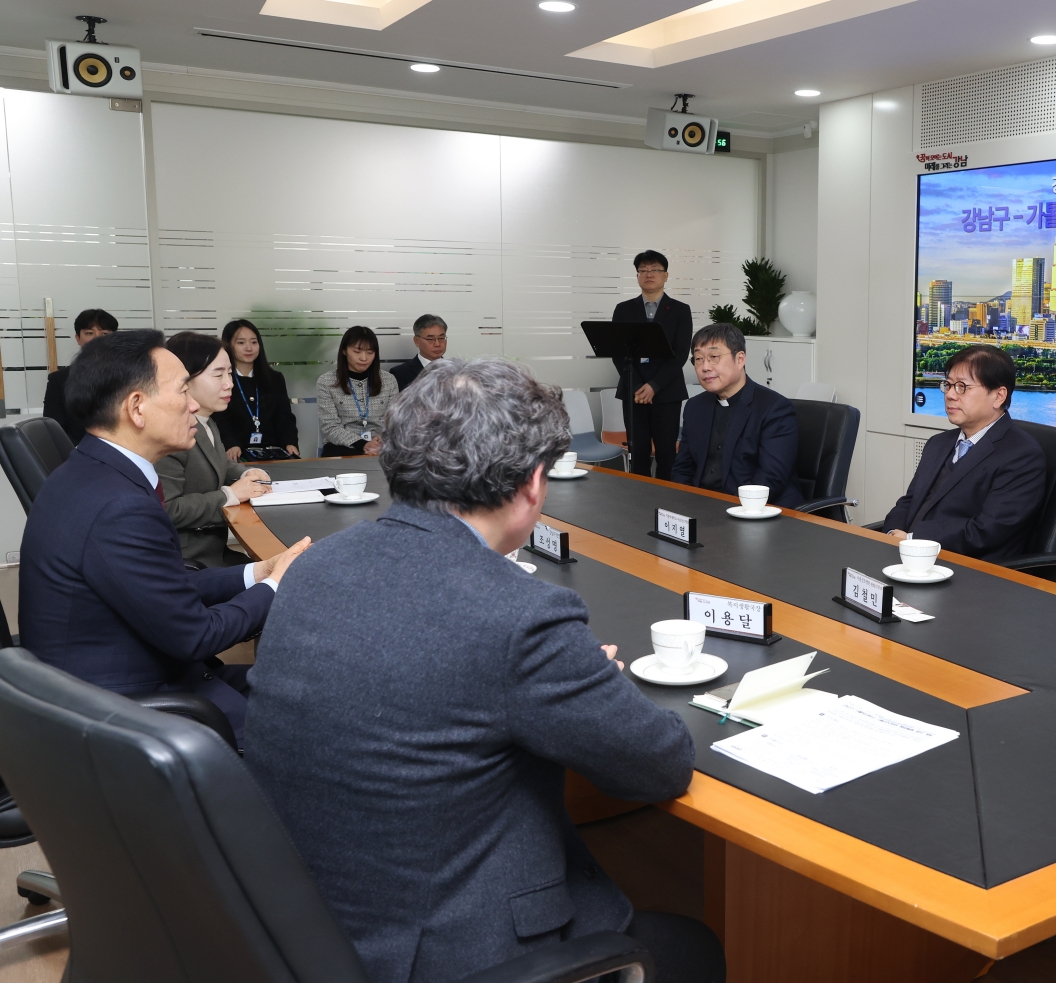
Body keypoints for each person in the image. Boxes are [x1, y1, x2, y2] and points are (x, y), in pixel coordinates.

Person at [247, 358, 723, 983]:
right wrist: (585, 682)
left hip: (307, 927)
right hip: (448, 953)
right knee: (693, 947)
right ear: (533, 484)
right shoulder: (520, 616)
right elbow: (659, 764)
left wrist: (558, 681)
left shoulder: (314, 567)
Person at [18, 330, 310, 739]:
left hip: (142, 676)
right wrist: (276, 587)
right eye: (183, 390)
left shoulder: (92, 472)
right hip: (123, 712)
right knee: (309, 727)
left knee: (307, 694)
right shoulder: (119, 506)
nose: (193, 405)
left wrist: (258, 572)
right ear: (137, 408)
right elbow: (197, 635)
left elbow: (166, 586)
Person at [879, 345, 1045, 561]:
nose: (950, 395)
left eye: (962, 387)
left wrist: (912, 540)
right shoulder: (938, 443)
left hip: (965, 568)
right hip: (908, 557)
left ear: (999, 396)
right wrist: (892, 533)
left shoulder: (1022, 456)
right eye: (948, 385)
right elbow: (909, 502)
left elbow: (986, 530)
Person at [157, 332, 272, 569]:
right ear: (184, 380)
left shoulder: (205, 420)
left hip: (215, 550)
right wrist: (230, 495)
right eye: (219, 374)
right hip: (188, 560)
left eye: (229, 373)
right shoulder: (170, 433)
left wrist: (245, 474)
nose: (229, 383)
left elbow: (216, 462)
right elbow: (167, 509)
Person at [671, 324, 802, 507]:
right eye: (699, 359)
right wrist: (680, 505)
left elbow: (770, 478)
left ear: (740, 359)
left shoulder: (774, 408)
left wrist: (730, 510)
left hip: (757, 509)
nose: (705, 367)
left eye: (714, 357)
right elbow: (683, 469)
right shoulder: (695, 407)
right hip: (703, 507)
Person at [611, 250, 692, 478]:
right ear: (637, 276)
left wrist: (654, 386)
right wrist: (638, 386)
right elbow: (618, 354)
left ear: (665, 275)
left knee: (666, 452)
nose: (649, 274)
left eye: (655, 269)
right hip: (633, 392)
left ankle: (666, 497)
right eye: (643, 270)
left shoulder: (680, 310)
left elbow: (680, 354)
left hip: (667, 392)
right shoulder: (623, 309)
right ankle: (639, 497)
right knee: (638, 452)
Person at [216, 319, 301, 462]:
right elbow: (219, 418)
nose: (249, 348)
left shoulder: (274, 378)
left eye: (254, 342)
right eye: (241, 343)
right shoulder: (221, 380)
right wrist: (230, 443)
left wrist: (290, 442)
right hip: (237, 452)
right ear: (228, 345)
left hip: (274, 451)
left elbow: (284, 416)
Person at [317, 325, 400, 456]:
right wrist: (362, 444)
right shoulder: (327, 381)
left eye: (370, 352)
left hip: (380, 445)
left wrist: (381, 441)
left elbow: (394, 422)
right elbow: (330, 426)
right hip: (341, 447)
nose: (364, 358)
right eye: (357, 352)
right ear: (344, 350)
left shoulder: (388, 380)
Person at [42, 308, 118, 444]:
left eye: (104, 333)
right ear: (78, 338)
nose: (97, 338)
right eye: (89, 333)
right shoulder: (59, 381)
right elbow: (54, 430)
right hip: (78, 452)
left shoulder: (131, 376)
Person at [390, 314, 447, 390]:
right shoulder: (400, 373)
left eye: (441, 338)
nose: (437, 344)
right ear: (416, 341)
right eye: (430, 339)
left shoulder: (456, 370)